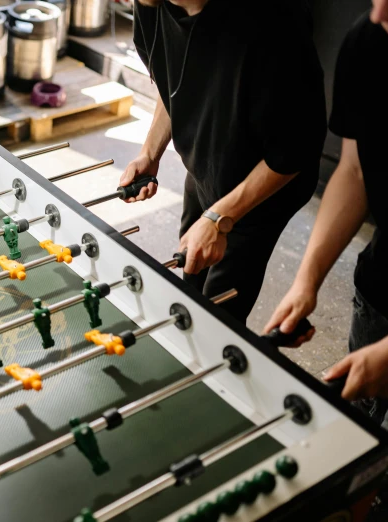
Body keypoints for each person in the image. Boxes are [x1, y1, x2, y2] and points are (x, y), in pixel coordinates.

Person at [120, 0, 327, 322]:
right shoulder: (153, 4)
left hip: (262, 188)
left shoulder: (275, 24)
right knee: (191, 276)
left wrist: (221, 218)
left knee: (217, 315)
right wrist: (150, 152)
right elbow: (173, 78)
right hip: (207, 166)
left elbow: (294, 150)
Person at [265, 0, 388, 421]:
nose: (380, 13)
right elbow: (354, 172)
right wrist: (306, 281)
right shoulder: (369, 41)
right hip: (381, 292)